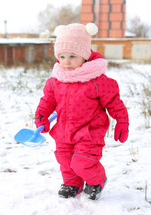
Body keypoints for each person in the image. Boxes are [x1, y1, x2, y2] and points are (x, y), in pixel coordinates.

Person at [34, 23, 129, 200]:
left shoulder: (97, 81)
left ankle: (97, 181)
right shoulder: (56, 80)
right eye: (62, 56)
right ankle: (72, 184)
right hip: (63, 130)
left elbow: (115, 103)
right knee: (65, 160)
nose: (66, 61)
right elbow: (47, 101)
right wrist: (41, 116)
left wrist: (122, 121)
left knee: (82, 162)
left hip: (89, 131)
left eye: (72, 56)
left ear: (84, 56)